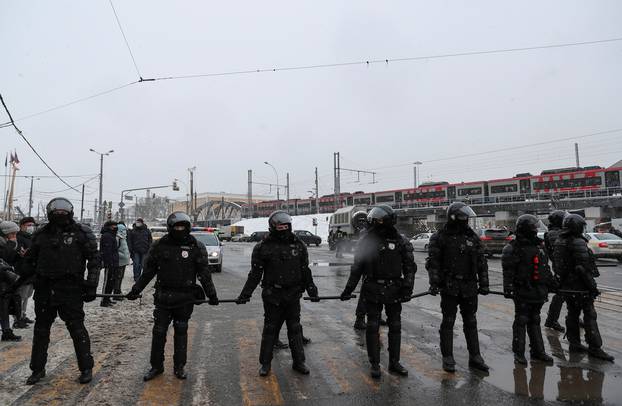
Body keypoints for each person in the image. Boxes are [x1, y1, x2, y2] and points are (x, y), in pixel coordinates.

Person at [126, 212, 219, 381]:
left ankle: (179, 366)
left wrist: (211, 294)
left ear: (188, 227)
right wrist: (136, 290)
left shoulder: (196, 246)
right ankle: (156, 366)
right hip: (163, 297)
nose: (179, 229)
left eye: (182, 226)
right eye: (176, 227)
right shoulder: (159, 245)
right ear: (170, 228)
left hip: (185, 298)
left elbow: (204, 274)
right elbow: (148, 272)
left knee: (181, 331)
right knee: (159, 332)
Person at [20, 197, 101, 385]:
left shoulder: (82, 233)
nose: (60, 214)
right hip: (45, 289)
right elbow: (30, 261)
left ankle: (86, 367)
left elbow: (95, 260)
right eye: (56, 212)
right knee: (41, 331)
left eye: (63, 212)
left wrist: (91, 285)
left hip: (71, 289)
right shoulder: (41, 234)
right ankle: (37, 369)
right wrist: (21, 280)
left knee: (77, 329)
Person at [236, 210, 319, 377]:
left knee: (294, 329)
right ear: (273, 227)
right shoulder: (263, 247)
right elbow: (255, 274)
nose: (283, 229)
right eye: (280, 226)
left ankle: (299, 362)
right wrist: (245, 294)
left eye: (285, 226)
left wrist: (311, 289)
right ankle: (265, 364)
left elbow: (305, 270)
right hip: (272, 294)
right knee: (270, 329)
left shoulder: (298, 245)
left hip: (293, 293)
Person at [340, 205, 415, 378]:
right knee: (372, 327)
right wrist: (348, 290)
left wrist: (407, 289)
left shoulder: (401, 241)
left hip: (394, 289)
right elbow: (357, 268)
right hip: (373, 288)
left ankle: (394, 362)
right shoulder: (366, 241)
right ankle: (375, 364)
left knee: (395, 327)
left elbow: (409, 267)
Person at [426, 202, 490, 373]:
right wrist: (435, 283)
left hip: (469, 286)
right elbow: (433, 263)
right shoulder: (440, 237)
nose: (466, 220)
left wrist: (484, 284)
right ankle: (448, 357)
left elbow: (482, 263)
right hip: (450, 286)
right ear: (454, 217)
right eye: (464, 217)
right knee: (448, 321)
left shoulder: (472, 237)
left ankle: (475, 356)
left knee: (471, 321)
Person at [553, 214, 614, 362]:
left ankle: (575, 343)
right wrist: (592, 287)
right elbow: (582, 268)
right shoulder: (577, 242)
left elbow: (558, 265)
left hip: (567, 285)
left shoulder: (560, 241)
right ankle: (595, 347)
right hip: (579, 286)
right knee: (589, 315)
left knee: (572, 314)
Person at [502, 214, 555, 365]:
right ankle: (519, 353)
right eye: (533, 227)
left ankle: (538, 351)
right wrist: (509, 287)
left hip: (538, 289)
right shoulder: (513, 247)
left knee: (535, 320)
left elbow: (545, 268)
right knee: (522, 320)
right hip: (523, 289)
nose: (535, 230)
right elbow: (508, 271)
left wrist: (552, 284)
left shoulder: (540, 246)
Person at [543, 210, 566, 333]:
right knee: (563, 294)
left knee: (566, 294)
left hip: (560, 267)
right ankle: (552, 319)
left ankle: (552, 319)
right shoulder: (554, 234)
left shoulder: (554, 233)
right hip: (562, 267)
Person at [0, 221, 22, 341]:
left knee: (5, 307)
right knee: (3, 306)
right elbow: (4, 257)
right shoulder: (3, 243)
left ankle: (6, 331)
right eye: (12, 233)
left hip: (6, 280)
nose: (14, 236)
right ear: (5, 233)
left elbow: (10, 259)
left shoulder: (8, 243)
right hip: (2, 279)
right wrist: (11, 245)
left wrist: (20, 255)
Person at [13, 217, 36, 328]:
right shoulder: (18, 237)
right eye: (28, 225)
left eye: (32, 225)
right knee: (20, 296)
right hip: (21, 271)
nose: (30, 227)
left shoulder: (31, 238)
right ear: (22, 226)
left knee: (27, 295)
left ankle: (23, 314)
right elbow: (16, 253)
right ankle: (18, 317)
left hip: (30, 271)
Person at [100, 221, 119, 307]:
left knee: (111, 281)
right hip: (110, 263)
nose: (115, 227)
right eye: (113, 225)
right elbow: (107, 251)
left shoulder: (111, 235)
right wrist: (108, 262)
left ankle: (107, 298)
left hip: (113, 262)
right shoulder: (107, 236)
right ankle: (104, 300)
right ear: (109, 226)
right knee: (107, 281)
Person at [114, 223, 131, 300]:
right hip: (119, 261)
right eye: (123, 230)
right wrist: (122, 256)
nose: (125, 231)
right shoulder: (118, 238)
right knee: (118, 277)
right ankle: (116, 293)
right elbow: (115, 250)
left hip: (123, 261)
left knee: (120, 277)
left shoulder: (123, 237)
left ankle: (118, 291)